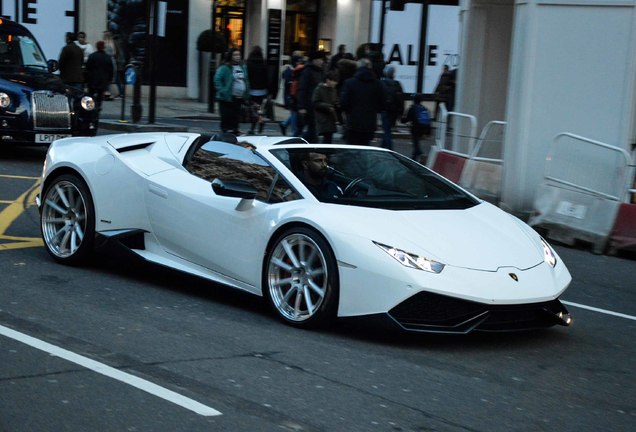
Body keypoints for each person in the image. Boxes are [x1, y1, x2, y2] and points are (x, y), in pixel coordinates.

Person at [340, 58, 386, 145]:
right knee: (365, 147)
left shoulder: (350, 83)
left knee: (352, 148)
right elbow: (382, 105)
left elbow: (344, 103)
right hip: (369, 122)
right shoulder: (377, 84)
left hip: (353, 122)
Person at [214, 48, 250, 135]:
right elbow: (217, 79)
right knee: (226, 115)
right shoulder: (225, 68)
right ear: (230, 56)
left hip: (239, 96)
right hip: (227, 96)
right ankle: (225, 132)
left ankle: (235, 130)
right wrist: (222, 90)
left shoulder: (242, 67)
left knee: (236, 115)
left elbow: (246, 80)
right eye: (235, 55)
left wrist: (247, 92)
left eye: (239, 55)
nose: (238, 57)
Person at [297, 50, 326, 143]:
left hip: (316, 104)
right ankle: (301, 143)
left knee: (313, 129)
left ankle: (305, 143)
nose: (322, 61)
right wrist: (301, 106)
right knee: (312, 129)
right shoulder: (307, 71)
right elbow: (302, 89)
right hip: (309, 105)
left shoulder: (320, 71)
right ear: (314, 60)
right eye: (320, 59)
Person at [380, 65, 404, 150]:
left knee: (386, 130)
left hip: (384, 109)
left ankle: (389, 149)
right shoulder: (397, 84)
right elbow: (401, 99)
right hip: (394, 110)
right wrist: (401, 111)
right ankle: (382, 147)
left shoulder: (382, 84)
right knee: (387, 129)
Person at [401, 93, 432, 162]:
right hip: (423, 128)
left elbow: (407, 119)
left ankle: (420, 154)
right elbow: (428, 120)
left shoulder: (412, 108)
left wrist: (402, 120)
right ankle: (414, 158)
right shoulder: (424, 108)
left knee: (415, 142)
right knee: (416, 142)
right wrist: (428, 131)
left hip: (415, 127)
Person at [85, 40, 114, 112]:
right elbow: (111, 70)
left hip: (92, 79)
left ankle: (90, 108)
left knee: (91, 94)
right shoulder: (107, 57)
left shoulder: (92, 56)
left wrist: (87, 78)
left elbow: (87, 67)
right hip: (103, 80)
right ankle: (98, 107)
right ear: (103, 47)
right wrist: (109, 79)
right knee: (100, 96)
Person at [245, 46, 268, 134]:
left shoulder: (248, 64)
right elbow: (266, 78)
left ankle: (253, 127)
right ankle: (260, 120)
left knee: (252, 109)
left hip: (251, 90)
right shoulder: (263, 64)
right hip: (261, 90)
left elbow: (247, 77)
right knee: (259, 109)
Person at [312, 70, 339, 143]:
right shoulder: (319, 89)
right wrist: (327, 106)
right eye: (334, 81)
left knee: (328, 137)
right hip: (322, 117)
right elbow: (315, 102)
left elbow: (335, 100)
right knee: (323, 137)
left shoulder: (333, 90)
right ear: (328, 80)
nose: (335, 83)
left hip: (331, 118)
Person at [279, 54, 303, 136]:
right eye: (298, 61)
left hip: (292, 96)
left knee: (294, 114)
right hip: (291, 96)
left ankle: (284, 124)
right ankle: (293, 133)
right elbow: (288, 84)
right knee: (294, 114)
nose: (300, 63)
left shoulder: (294, 70)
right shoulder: (289, 71)